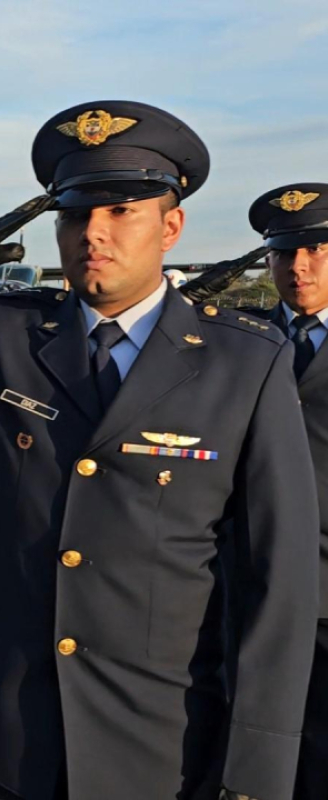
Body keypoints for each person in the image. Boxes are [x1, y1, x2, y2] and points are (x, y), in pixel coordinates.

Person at [0, 102, 319, 800]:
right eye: (74, 214)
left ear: (171, 227)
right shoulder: (6, 337)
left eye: (122, 211)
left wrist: (257, 770)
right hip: (14, 728)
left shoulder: (244, 360)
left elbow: (278, 578)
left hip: (163, 739)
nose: (93, 232)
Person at [245, 184, 328, 799]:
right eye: (283, 252)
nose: (298, 267)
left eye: (318, 249)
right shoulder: (241, 341)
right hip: (244, 580)